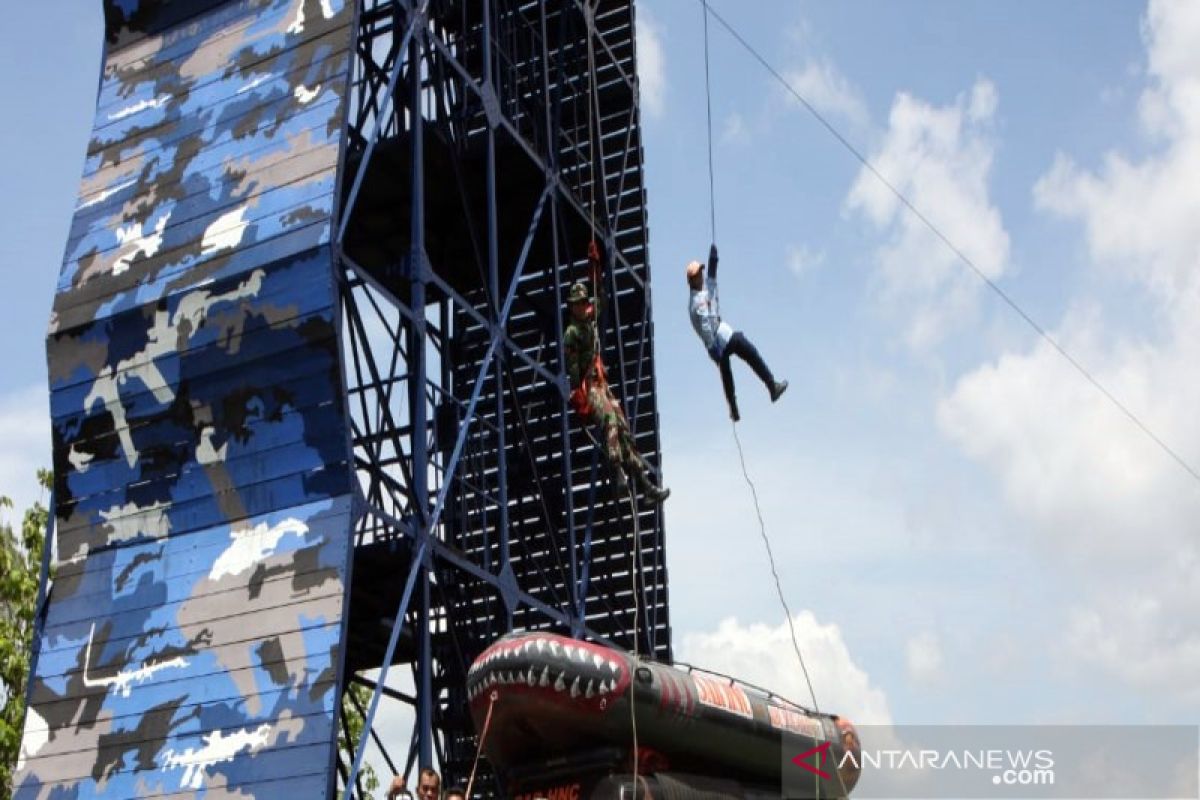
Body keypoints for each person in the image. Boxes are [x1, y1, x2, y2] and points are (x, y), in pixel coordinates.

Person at [564, 242, 669, 505]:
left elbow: (601, 299)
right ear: (572, 307)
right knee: (610, 421)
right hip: (590, 387)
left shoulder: (589, 319)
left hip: (602, 383)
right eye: (576, 304)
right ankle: (618, 474)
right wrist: (580, 398)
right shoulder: (573, 333)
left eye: (581, 303)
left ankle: (644, 485)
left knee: (623, 430)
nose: (580, 307)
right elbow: (573, 370)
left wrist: (594, 268)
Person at [687, 244, 787, 422]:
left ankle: (734, 409)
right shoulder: (696, 302)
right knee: (748, 351)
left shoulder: (700, 294)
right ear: (692, 281)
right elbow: (706, 326)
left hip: (717, 339)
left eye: (701, 272)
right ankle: (771, 386)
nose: (701, 276)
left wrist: (713, 263)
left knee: (727, 375)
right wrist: (714, 348)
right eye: (698, 275)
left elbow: (710, 283)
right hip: (719, 338)